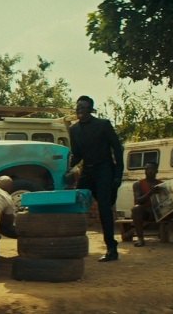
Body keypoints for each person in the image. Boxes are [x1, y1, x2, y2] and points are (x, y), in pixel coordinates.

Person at [68, 95, 124, 262]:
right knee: (76, 204)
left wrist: (118, 174)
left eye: (83, 108)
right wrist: (66, 167)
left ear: (91, 110)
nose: (80, 111)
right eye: (78, 108)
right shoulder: (74, 129)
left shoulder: (103, 125)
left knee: (104, 209)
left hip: (104, 170)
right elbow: (77, 154)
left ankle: (111, 249)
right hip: (87, 172)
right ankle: (72, 247)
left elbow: (117, 148)